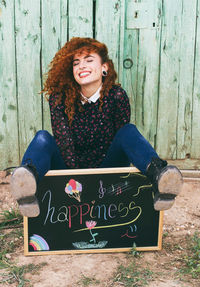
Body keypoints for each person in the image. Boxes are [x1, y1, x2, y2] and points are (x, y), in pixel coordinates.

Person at [10, 37, 183, 217]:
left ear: (104, 68)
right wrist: (81, 182)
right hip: (69, 174)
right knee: (42, 137)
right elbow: (64, 142)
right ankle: (27, 187)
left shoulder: (117, 96)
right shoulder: (59, 98)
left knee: (128, 131)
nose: (81, 66)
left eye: (89, 60)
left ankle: (160, 175)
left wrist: (96, 181)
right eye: (76, 63)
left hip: (107, 171)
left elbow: (122, 143)